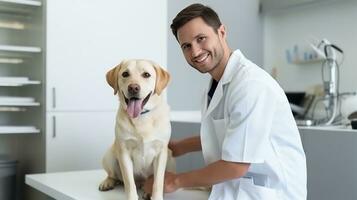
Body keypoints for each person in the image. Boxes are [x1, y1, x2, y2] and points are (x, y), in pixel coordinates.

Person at [144, 3, 307, 200]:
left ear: (222, 32)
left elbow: (236, 165)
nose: (195, 52)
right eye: (186, 46)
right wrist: (179, 146)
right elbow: (230, 136)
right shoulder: (213, 87)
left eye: (201, 39)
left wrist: (174, 181)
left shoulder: (250, 85)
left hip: (270, 193)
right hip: (235, 191)